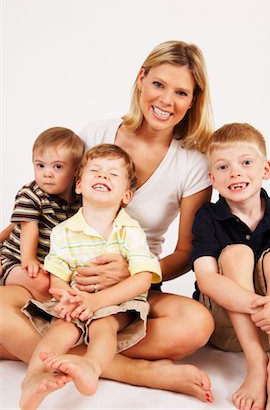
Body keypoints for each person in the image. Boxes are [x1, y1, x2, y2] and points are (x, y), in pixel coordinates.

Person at [0, 40, 215, 403]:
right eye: (159, 84)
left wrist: (129, 275)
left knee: (197, 324)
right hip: (65, 276)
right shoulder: (96, 134)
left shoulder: (193, 162)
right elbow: (40, 202)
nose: (166, 101)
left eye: (181, 92)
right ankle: (132, 370)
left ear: (193, 100)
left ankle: (38, 352)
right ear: (141, 79)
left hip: (131, 284)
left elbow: (185, 252)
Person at [20, 143, 162, 409]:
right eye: (95, 171)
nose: (102, 176)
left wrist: (98, 302)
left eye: (112, 174)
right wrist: (66, 297)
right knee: (60, 329)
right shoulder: (64, 231)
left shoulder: (129, 230)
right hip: (78, 299)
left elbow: (143, 278)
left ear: (127, 195)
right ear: (79, 185)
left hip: (118, 301)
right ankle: (32, 378)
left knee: (103, 326)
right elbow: (57, 274)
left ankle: (91, 366)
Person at [191, 122, 270, 410]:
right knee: (236, 253)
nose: (235, 172)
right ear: (212, 178)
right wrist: (264, 307)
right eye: (223, 167)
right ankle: (255, 363)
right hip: (227, 327)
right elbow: (207, 281)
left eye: (246, 162)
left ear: (266, 169)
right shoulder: (208, 216)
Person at [0, 127, 84, 300]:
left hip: (53, 263)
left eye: (57, 166)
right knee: (42, 285)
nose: (47, 173)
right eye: (40, 165)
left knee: (67, 284)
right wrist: (29, 259)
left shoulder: (80, 198)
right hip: (17, 257)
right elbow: (29, 229)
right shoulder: (31, 194)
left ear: (76, 170)